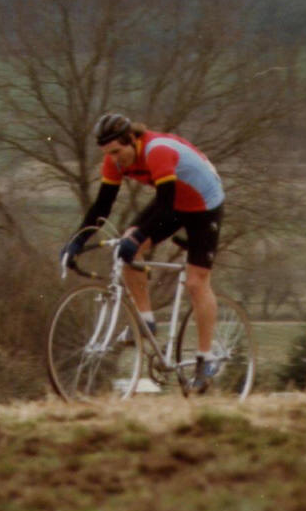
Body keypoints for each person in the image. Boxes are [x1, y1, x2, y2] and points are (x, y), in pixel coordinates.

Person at [61, 113, 225, 392]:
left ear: (132, 140)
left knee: (197, 282)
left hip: (203, 205)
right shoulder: (114, 159)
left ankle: (206, 358)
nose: (113, 159)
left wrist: (137, 236)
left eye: (116, 152)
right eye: (107, 154)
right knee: (126, 249)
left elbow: (166, 205)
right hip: (172, 203)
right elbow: (102, 207)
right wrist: (76, 241)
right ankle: (147, 323)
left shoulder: (157, 152)